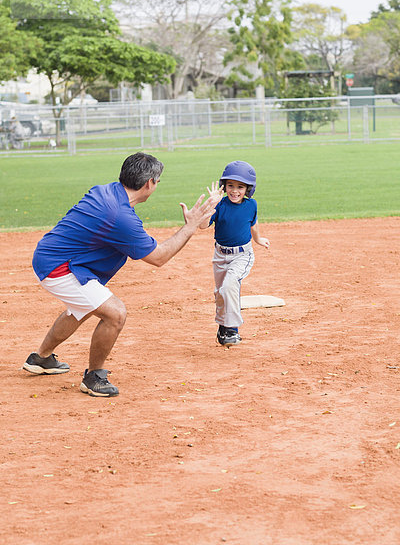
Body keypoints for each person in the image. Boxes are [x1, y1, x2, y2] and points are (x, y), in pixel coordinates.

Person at [23, 152, 218, 397]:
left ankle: (40, 358)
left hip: (54, 256)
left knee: (83, 306)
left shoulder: (106, 191)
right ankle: (94, 377)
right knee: (115, 314)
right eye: (157, 181)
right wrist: (190, 227)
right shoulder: (119, 216)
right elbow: (159, 257)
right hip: (59, 267)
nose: (156, 186)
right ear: (149, 184)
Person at [200, 161, 270, 346]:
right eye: (230, 185)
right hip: (220, 255)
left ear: (248, 188)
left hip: (242, 255)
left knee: (230, 285)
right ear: (224, 186)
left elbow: (253, 224)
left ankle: (232, 329)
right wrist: (211, 205)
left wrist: (258, 239)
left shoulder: (251, 205)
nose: (235, 191)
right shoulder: (220, 205)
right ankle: (223, 327)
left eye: (240, 186)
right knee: (220, 293)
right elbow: (201, 225)